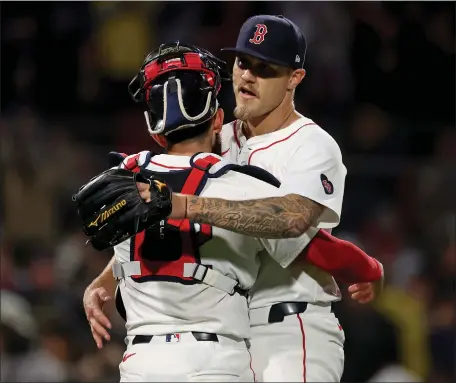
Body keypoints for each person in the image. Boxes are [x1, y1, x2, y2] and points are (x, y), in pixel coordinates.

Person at [157, 15, 383, 382]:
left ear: (295, 78)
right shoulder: (214, 137)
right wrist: (106, 281)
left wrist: (184, 204)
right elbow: (154, 205)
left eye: (266, 69)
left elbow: (291, 221)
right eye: (243, 62)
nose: (248, 76)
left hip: (290, 329)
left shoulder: (312, 144)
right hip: (223, 336)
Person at [84, 42, 320, 382]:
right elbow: (296, 225)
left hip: (140, 364)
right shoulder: (244, 184)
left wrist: (102, 280)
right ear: (218, 119)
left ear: (154, 128)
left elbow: (144, 239)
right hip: (216, 362)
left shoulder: (120, 180)